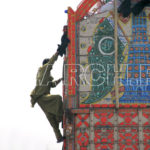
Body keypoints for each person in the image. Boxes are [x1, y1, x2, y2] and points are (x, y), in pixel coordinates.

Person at [30, 51, 65, 143]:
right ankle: (61, 116)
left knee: (50, 117)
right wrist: (58, 52)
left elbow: (52, 84)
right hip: (41, 97)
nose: (51, 68)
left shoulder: (45, 76)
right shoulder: (43, 69)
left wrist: (60, 79)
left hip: (40, 99)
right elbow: (51, 62)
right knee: (57, 98)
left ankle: (59, 137)